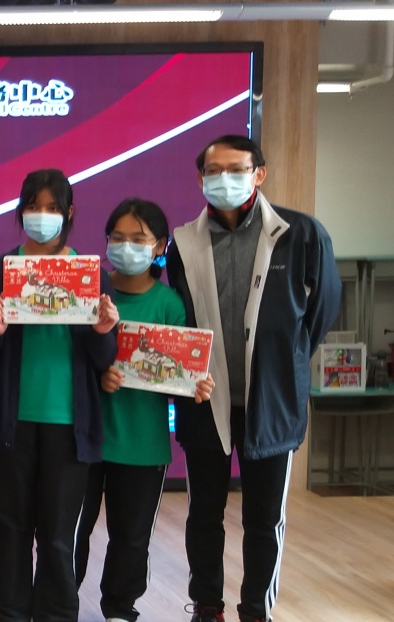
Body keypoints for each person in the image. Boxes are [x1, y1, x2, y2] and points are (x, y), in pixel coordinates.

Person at [168, 135, 341, 622]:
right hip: (206, 403)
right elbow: (181, 319)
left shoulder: (300, 234)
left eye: (235, 169)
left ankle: (255, 610)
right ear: (200, 177)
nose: (223, 178)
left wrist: (282, 357)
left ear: (258, 174)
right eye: (213, 170)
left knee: (264, 519)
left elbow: (322, 310)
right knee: (204, 514)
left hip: (272, 403)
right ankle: (207, 606)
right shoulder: (184, 242)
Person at [0, 169, 118, 622]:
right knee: (10, 527)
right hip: (8, 421)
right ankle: (10, 612)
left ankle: (56, 613)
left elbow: (104, 359)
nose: (42, 215)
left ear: (69, 213)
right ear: (21, 212)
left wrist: (102, 331)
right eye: (33, 206)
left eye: (52, 207)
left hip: (69, 422)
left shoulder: (91, 275)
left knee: (58, 533)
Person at [73, 198, 216, 622]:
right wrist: (100, 375)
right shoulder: (91, 296)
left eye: (138, 239)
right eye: (117, 238)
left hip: (143, 444)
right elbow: (71, 358)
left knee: (131, 538)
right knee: (71, 532)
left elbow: (179, 373)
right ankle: (59, 604)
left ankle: (120, 609)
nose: (126, 247)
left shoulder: (170, 305)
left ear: (159, 247)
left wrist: (194, 386)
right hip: (86, 439)